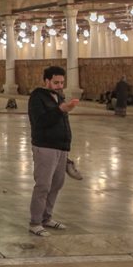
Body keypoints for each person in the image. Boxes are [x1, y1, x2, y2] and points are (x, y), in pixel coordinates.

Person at [27, 65, 79, 237]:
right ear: (46, 81)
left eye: (62, 82)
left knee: (57, 184)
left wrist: (66, 149)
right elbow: (40, 122)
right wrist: (60, 110)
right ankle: (35, 222)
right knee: (43, 185)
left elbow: (62, 123)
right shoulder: (37, 97)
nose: (59, 86)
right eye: (56, 82)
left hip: (60, 147)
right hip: (45, 146)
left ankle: (46, 218)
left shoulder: (59, 97)